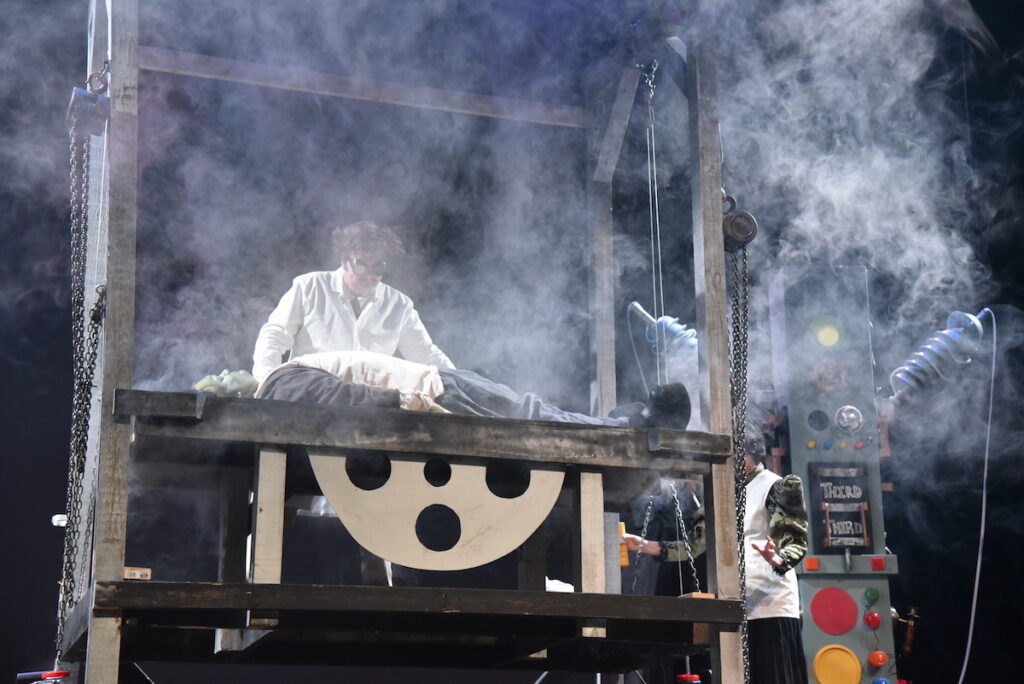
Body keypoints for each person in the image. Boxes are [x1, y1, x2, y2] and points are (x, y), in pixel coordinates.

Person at [624, 429, 809, 684]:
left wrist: (778, 559)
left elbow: (794, 537)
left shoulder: (776, 485)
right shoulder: (722, 495)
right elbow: (694, 545)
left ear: (743, 456)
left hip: (770, 605)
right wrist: (645, 545)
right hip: (732, 604)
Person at [255, 349, 692, 430]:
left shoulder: (278, 385)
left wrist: (405, 402)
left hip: (439, 390)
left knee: (533, 415)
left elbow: (340, 400)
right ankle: (624, 425)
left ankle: (626, 427)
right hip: (439, 390)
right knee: (531, 414)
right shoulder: (284, 383)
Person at [252, 221, 454, 383]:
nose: (369, 275)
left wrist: (462, 384)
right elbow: (274, 336)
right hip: (311, 394)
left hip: (370, 406)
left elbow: (426, 355)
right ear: (344, 261)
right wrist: (266, 383)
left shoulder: (399, 305)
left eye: (378, 267)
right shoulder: (309, 286)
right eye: (361, 266)